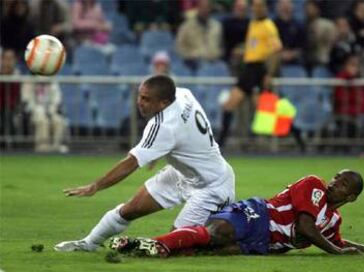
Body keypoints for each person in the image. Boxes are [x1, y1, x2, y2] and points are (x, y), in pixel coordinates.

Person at [54, 75, 235, 252]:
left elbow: (131, 163)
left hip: (212, 186)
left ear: (163, 102)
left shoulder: (164, 125)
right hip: (183, 174)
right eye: (139, 96)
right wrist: (157, 153)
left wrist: (96, 185)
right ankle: (88, 243)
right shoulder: (182, 94)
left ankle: (237, 246)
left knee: (176, 244)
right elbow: (179, 135)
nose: (139, 102)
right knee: (130, 210)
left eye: (146, 99)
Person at [110, 169, 364, 257]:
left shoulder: (334, 219)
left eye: (342, 184)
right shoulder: (313, 186)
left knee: (204, 252)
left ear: (351, 197)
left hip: (266, 245)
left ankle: (136, 245)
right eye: (336, 177)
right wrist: (337, 253)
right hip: (259, 215)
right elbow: (306, 229)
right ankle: (157, 242)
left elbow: (340, 242)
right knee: (215, 234)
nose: (334, 182)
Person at [218, 0, 283, 147]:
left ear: (265, 8)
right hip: (249, 69)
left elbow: (277, 50)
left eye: (260, 6)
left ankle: (297, 138)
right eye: (255, 6)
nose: (257, 9)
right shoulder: (253, 23)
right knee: (230, 104)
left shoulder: (269, 26)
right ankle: (219, 144)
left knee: (267, 110)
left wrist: (269, 74)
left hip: (260, 69)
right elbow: (256, 46)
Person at [21, 81, 69, 153]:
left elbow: (57, 99)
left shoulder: (53, 83)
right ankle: (42, 146)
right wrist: (38, 110)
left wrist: (51, 110)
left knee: (58, 121)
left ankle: (56, 146)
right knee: (43, 121)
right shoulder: (28, 83)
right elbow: (26, 100)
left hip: (50, 112)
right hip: (34, 113)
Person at [175, 0, 223, 71]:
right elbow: (179, 47)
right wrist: (191, 56)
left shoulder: (217, 26)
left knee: (223, 67)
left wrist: (215, 54)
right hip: (192, 64)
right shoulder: (186, 27)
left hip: (213, 62)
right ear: (197, 8)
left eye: (207, 7)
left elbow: (221, 47)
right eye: (202, 7)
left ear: (210, 9)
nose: (205, 10)